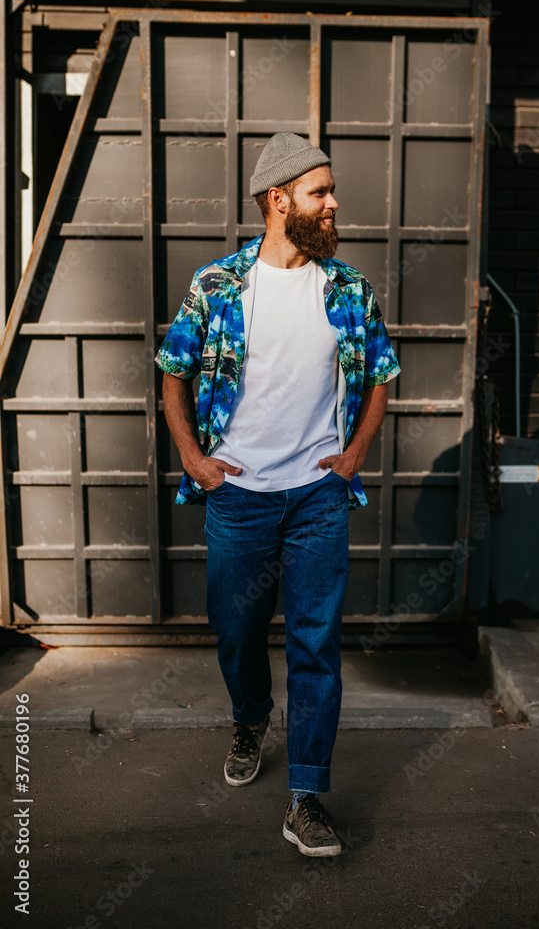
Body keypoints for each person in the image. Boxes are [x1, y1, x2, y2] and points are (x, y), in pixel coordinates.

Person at [156, 132, 400, 857]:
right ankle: (249, 717)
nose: (333, 203)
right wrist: (195, 459)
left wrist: (352, 457)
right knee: (236, 632)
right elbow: (173, 373)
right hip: (237, 497)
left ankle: (306, 798)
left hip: (318, 499)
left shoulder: (347, 288)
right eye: (320, 192)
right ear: (277, 199)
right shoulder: (217, 285)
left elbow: (382, 374)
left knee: (316, 645)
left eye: (330, 191)